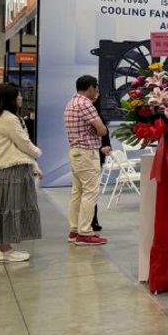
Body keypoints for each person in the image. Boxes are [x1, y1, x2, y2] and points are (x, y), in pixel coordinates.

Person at [0, 83, 42, 262]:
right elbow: (24, 143)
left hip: (5, 168)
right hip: (11, 170)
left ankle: (5, 248)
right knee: (10, 208)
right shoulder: (8, 118)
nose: (21, 98)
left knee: (5, 208)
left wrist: (34, 164)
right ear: (11, 99)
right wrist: (37, 153)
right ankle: (5, 250)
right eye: (18, 95)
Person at [64, 75, 109, 246]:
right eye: (95, 88)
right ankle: (84, 232)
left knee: (77, 193)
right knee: (90, 193)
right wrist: (97, 130)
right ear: (90, 88)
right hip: (87, 154)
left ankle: (75, 230)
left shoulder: (71, 103)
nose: (96, 91)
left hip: (75, 152)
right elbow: (102, 130)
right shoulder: (86, 104)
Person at [91, 97, 112, 233]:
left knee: (92, 190)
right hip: (90, 155)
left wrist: (107, 146)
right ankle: (90, 221)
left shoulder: (98, 114)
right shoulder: (88, 112)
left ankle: (93, 220)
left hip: (97, 155)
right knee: (90, 191)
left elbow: (105, 134)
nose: (97, 95)